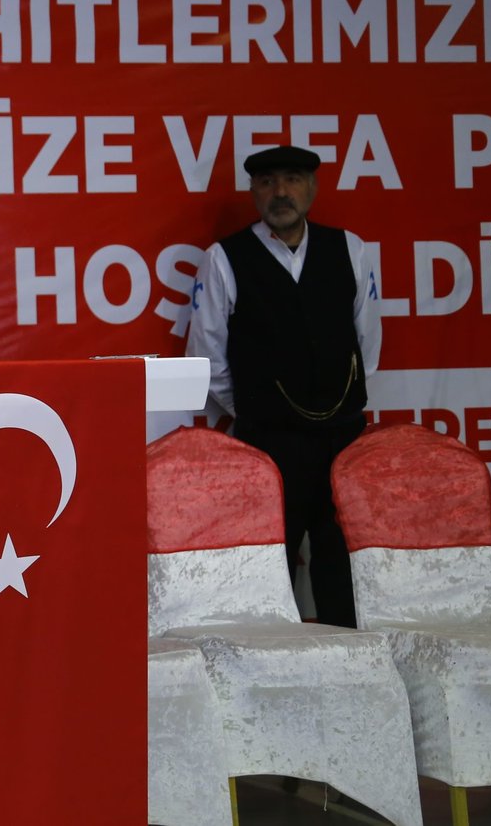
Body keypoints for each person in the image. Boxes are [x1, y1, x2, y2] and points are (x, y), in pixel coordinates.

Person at [186, 144, 381, 628]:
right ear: (254, 191)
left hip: (342, 438)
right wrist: (258, 408)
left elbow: (366, 341)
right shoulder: (223, 258)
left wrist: (337, 401)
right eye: (268, 181)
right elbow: (206, 354)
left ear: (311, 188)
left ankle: (349, 661)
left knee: (343, 567)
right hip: (268, 443)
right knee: (269, 570)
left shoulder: (350, 249)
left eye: (293, 179)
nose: (281, 192)